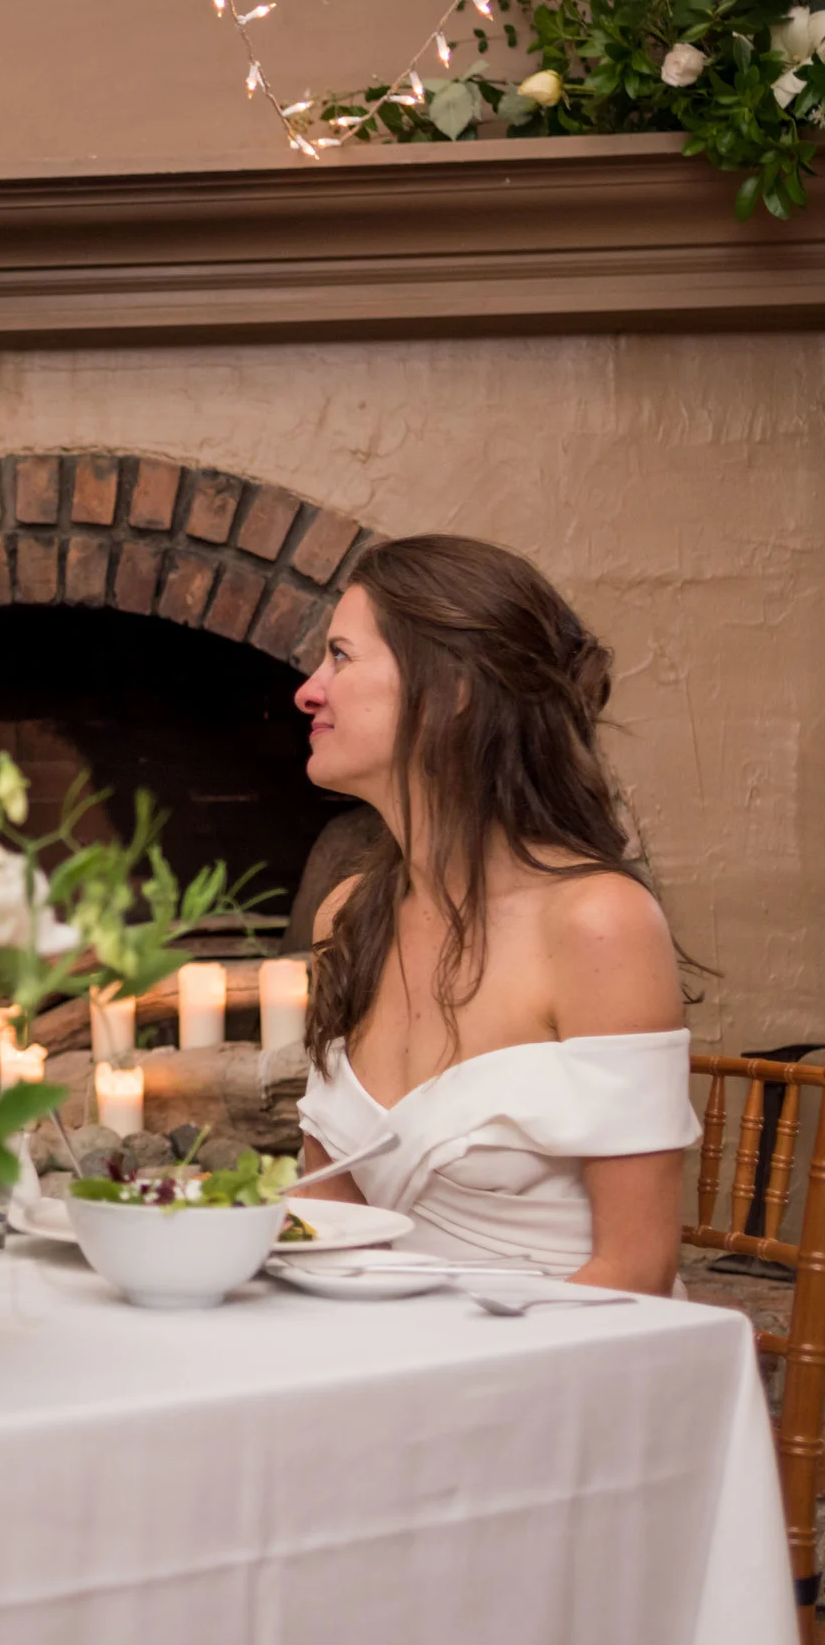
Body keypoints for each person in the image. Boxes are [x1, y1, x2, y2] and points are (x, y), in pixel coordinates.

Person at [287, 534, 696, 1294]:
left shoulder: (598, 922)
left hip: (570, 1350)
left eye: (340, 657)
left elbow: (637, 1271)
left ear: (454, 690)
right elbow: (329, 1223)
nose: (308, 692)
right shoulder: (347, 918)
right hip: (380, 1341)